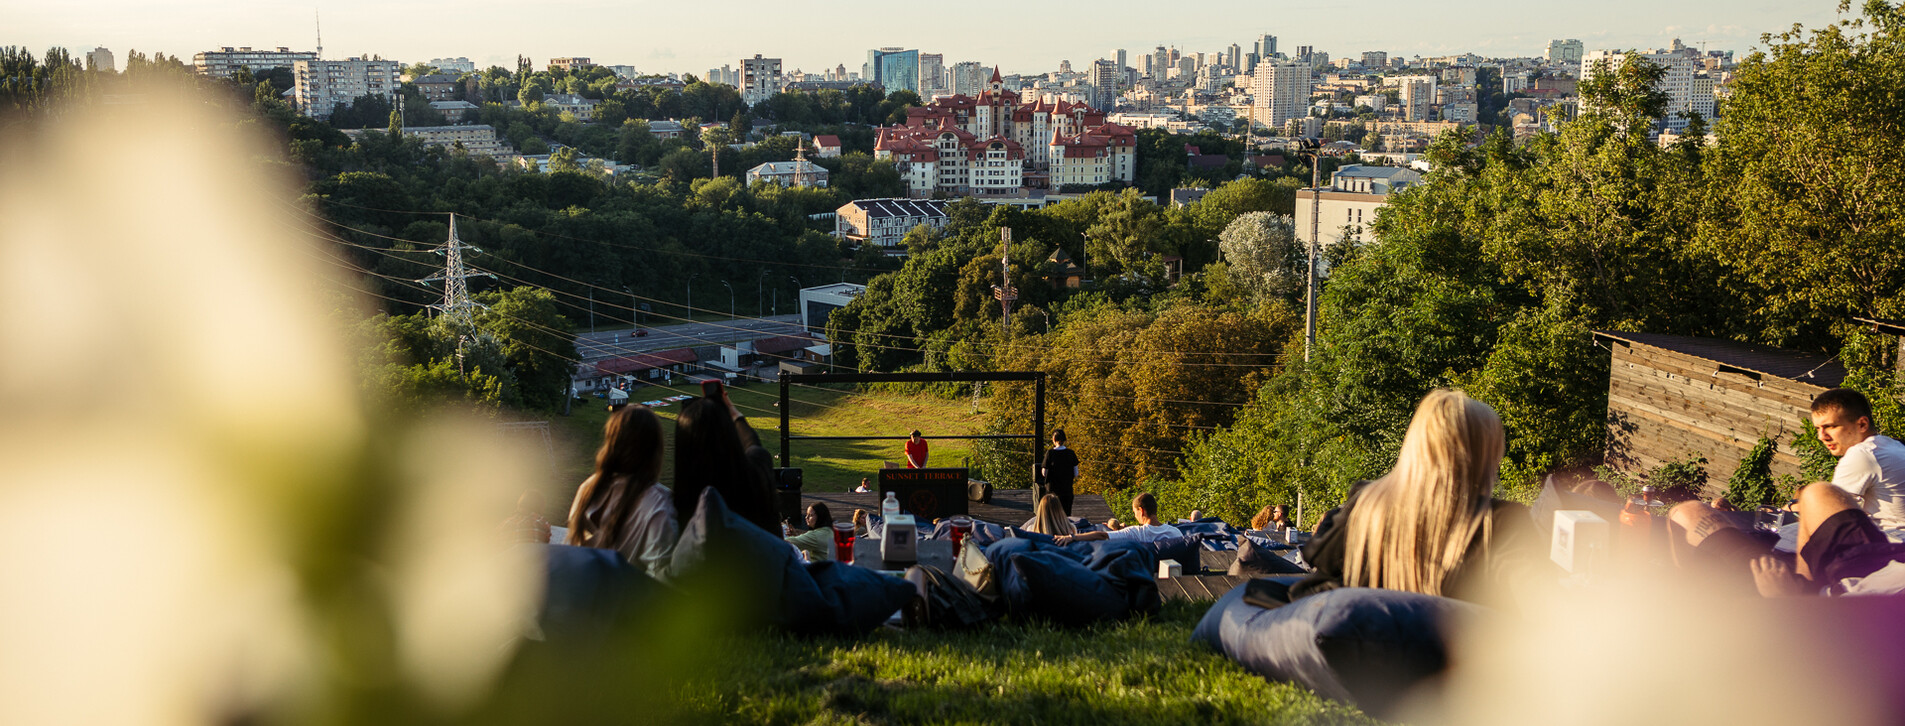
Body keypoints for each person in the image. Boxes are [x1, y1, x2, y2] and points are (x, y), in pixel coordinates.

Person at [1289, 389, 1542, 605]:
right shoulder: (1500, 521)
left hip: (1371, 654)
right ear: (1484, 455)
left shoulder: (1367, 504)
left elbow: (1318, 563)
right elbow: (1539, 603)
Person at [564, 405, 676, 579]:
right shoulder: (659, 501)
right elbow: (661, 573)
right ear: (654, 448)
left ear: (611, 442)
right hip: (626, 602)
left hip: (581, 594)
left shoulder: (588, 487)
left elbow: (572, 549)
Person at [672, 389, 778, 534]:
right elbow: (753, 446)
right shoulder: (753, 480)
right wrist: (734, 414)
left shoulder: (672, 508)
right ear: (727, 433)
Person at [1815, 388, 1905, 530]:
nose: (1821, 436)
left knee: (1812, 493)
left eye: (1830, 426)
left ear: (1862, 424)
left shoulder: (1863, 454)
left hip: (1892, 546)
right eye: (1818, 428)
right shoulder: (1892, 445)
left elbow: (1829, 516)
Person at [1054, 492, 1182, 545]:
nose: (1135, 516)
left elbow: (1102, 536)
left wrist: (1072, 537)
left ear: (1141, 511)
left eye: (1135, 512)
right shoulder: (1176, 533)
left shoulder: (1136, 533)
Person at [1040, 430, 1080, 515]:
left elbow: (1044, 473)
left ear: (1054, 439)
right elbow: (1076, 473)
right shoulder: (1071, 453)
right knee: (1066, 516)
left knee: (1052, 516)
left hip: (1052, 492)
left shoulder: (1050, 453)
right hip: (1067, 491)